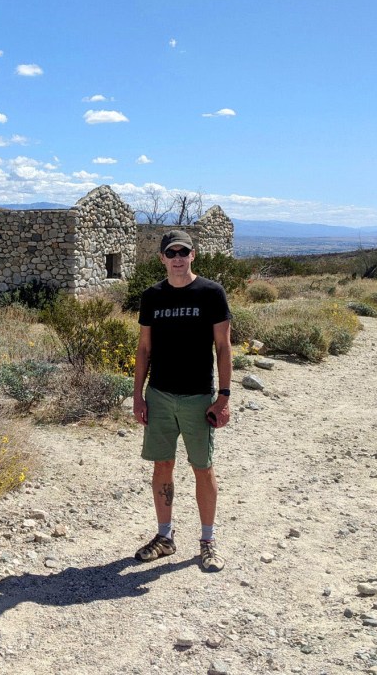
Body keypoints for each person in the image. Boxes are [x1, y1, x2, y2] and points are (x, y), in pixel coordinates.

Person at [132, 229, 232, 572]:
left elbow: (223, 347)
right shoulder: (152, 296)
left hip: (198, 397)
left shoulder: (211, 293)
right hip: (159, 395)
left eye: (183, 252)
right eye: (171, 253)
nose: (177, 258)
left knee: (203, 468)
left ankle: (207, 541)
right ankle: (165, 537)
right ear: (162, 257)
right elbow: (144, 349)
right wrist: (138, 396)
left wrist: (223, 397)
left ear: (193, 255)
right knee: (162, 465)